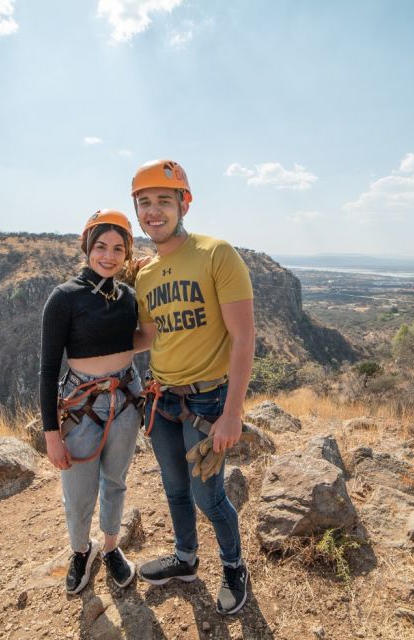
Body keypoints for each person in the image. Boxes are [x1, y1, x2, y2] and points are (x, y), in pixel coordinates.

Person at [130, 159, 256, 615]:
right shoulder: (144, 274)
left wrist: (232, 413)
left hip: (209, 399)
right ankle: (185, 559)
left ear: (185, 203)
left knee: (209, 495)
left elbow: (244, 337)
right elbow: (148, 336)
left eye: (164, 200)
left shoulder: (216, 254)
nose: (154, 211)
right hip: (163, 399)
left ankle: (234, 566)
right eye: (145, 203)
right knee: (174, 486)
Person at [39, 210, 144, 595]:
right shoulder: (65, 298)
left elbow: (130, 341)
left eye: (119, 248)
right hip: (82, 405)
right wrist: (52, 435)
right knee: (79, 489)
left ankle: (112, 547)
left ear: (127, 254)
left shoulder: (128, 296)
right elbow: (48, 369)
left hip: (126, 400)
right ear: (87, 247)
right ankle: (81, 551)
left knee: (115, 481)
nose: (109, 255)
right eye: (101, 246)